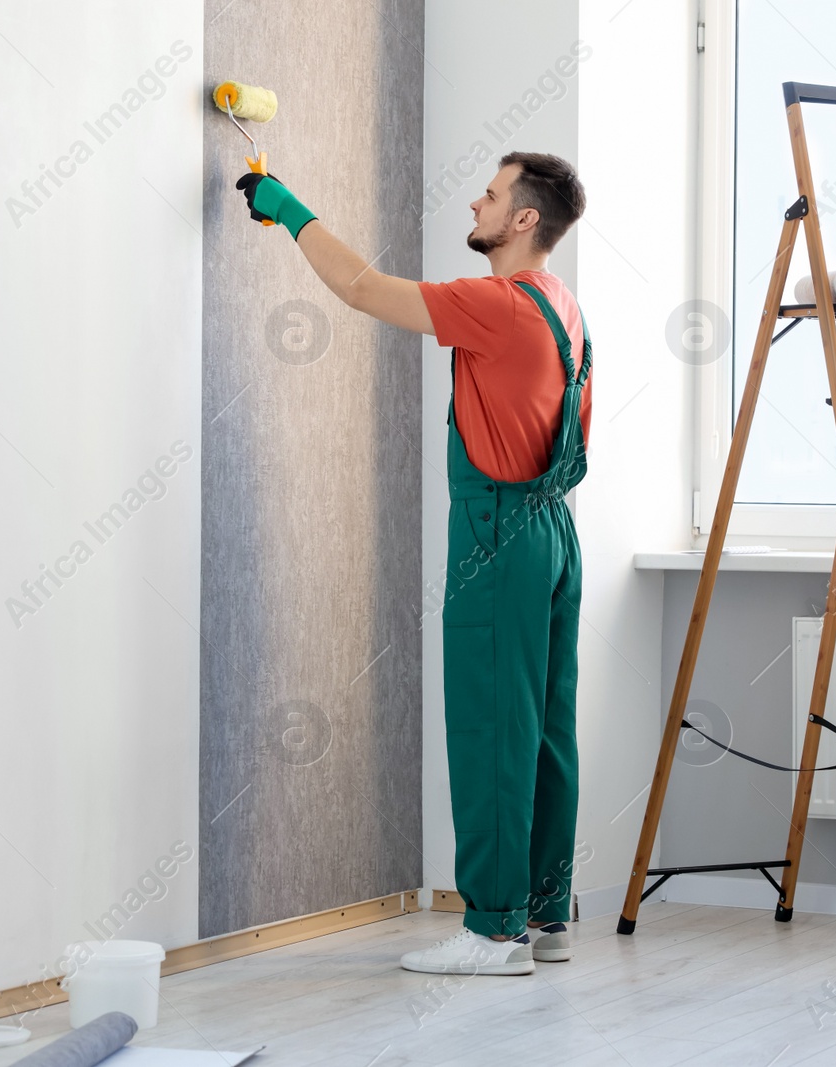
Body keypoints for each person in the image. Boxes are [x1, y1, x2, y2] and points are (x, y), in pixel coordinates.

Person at [235, 151, 590, 977]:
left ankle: (494, 934)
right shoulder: (563, 306)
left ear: (525, 220)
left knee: (492, 725)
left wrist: (287, 208)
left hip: (499, 534)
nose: (477, 200)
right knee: (544, 731)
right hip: (552, 532)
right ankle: (545, 914)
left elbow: (360, 286)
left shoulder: (497, 304)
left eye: (493, 194)